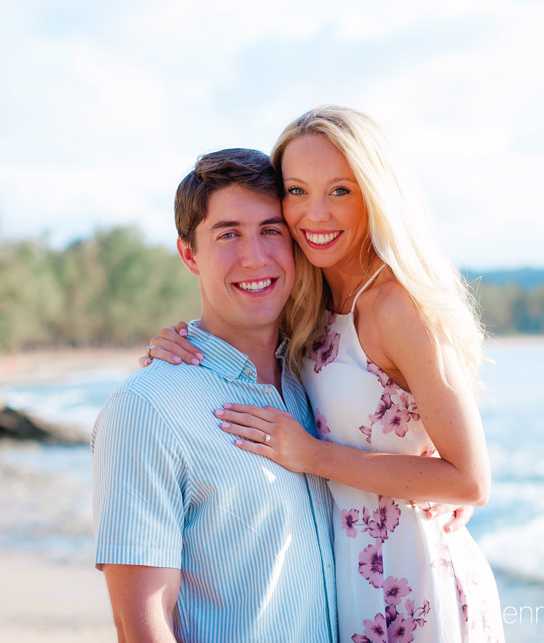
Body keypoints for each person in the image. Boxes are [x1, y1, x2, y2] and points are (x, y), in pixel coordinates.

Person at [143, 106, 504, 642]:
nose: (316, 214)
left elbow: (471, 481)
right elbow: (244, 332)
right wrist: (175, 345)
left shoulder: (396, 306)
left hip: (411, 581)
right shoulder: (308, 302)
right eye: (296, 191)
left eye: (340, 191)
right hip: (346, 578)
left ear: (374, 194)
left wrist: (312, 456)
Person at [91, 148, 337, 642]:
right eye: (228, 234)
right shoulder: (146, 408)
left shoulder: (319, 381)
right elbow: (142, 627)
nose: (255, 257)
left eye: (272, 230)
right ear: (189, 254)